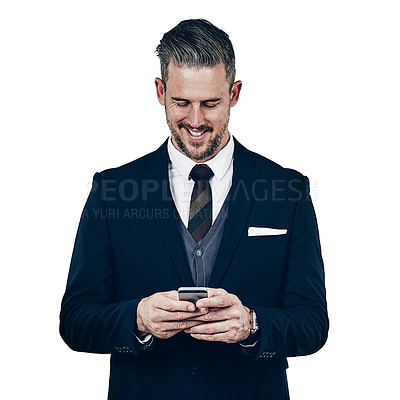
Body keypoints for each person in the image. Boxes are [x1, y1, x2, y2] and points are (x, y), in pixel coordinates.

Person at [60, 19, 328, 399]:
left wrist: (253, 325)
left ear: (234, 93)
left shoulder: (287, 190)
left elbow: (313, 323)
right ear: (160, 91)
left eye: (211, 103)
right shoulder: (113, 190)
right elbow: (75, 320)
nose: (196, 121)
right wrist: (138, 318)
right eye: (182, 102)